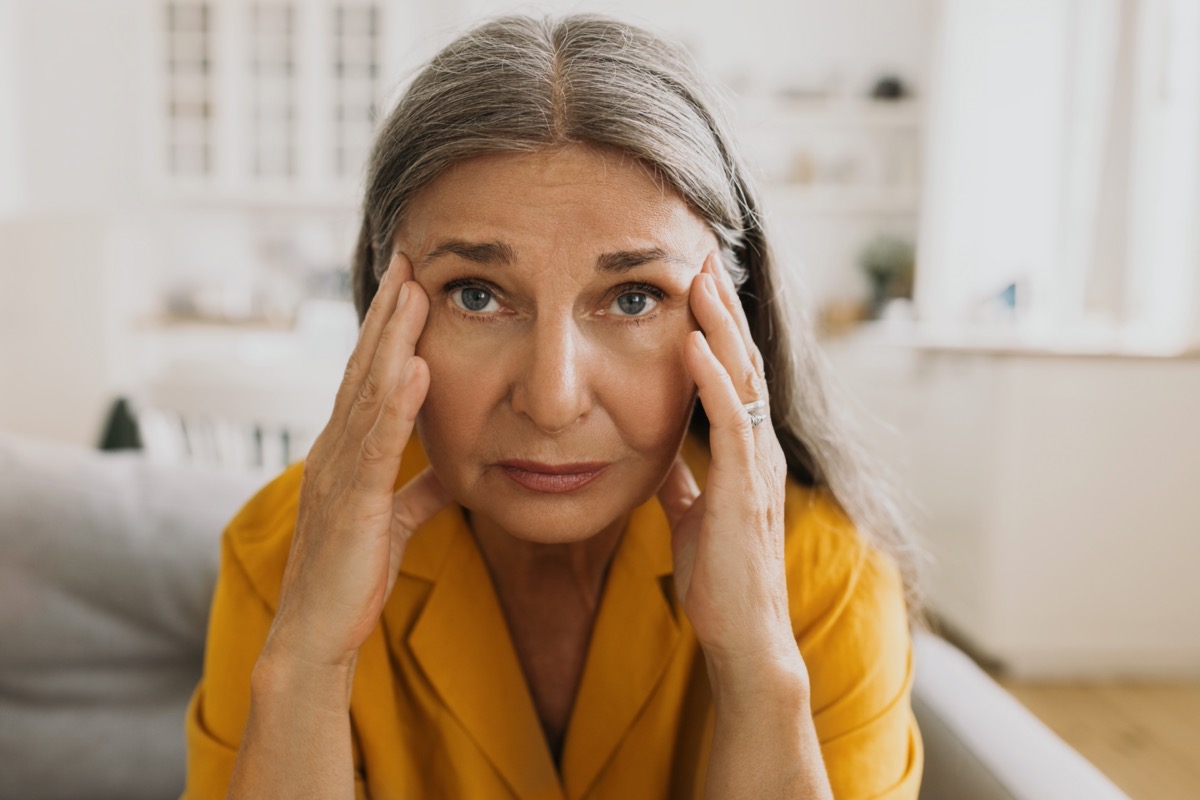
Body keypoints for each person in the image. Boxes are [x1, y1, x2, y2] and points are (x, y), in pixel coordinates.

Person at [183, 13, 924, 800]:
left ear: (727, 320)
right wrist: (304, 663)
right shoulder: (278, 559)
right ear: (382, 307)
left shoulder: (828, 583)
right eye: (477, 295)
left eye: (634, 298)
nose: (552, 398)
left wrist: (758, 671)